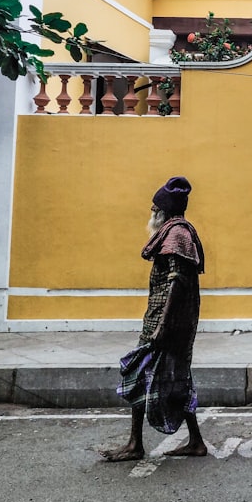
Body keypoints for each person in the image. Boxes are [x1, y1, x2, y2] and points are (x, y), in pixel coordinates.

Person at [100, 176, 207, 462]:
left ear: (163, 212)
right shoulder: (174, 233)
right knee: (177, 380)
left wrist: (162, 326)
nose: (150, 213)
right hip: (166, 322)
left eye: (153, 208)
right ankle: (195, 440)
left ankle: (135, 443)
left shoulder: (175, 236)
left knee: (137, 375)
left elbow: (175, 283)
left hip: (166, 325)